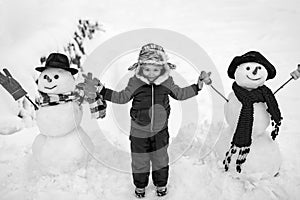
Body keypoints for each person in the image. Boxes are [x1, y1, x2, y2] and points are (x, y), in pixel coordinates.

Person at [78, 43, 212, 198]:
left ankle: (161, 184)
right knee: (140, 160)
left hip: (160, 131)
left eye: (155, 69)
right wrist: (103, 91)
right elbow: (122, 97)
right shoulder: (135, 82)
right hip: (138, 132)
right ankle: (140, 186)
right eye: (147, 69)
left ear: (162, 68)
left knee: (160, 159)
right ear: (140, 67)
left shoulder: (167, 82)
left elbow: (180, 94)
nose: (151, 73)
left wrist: (198, 86)